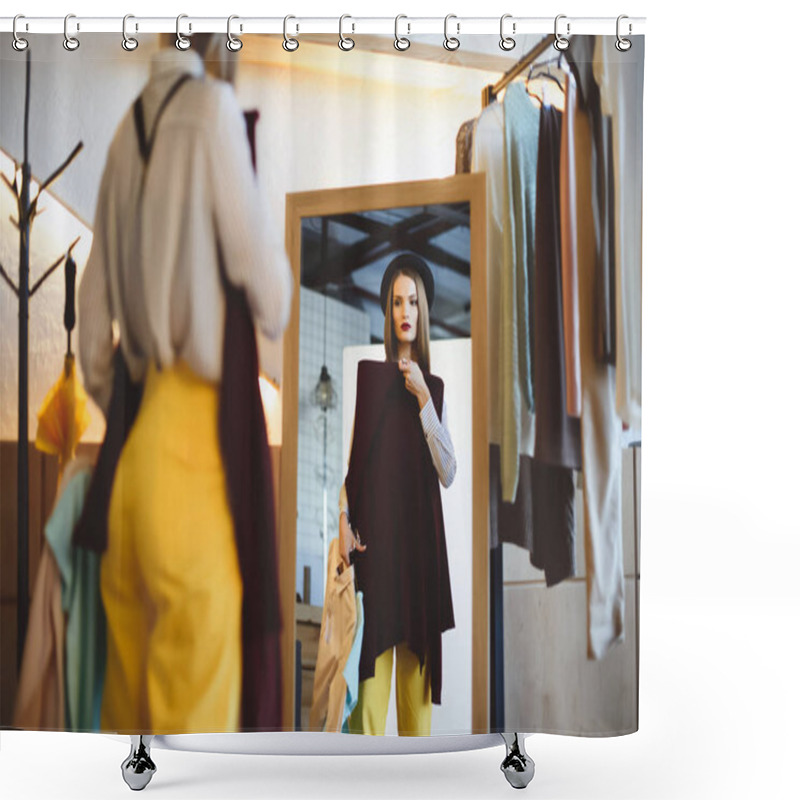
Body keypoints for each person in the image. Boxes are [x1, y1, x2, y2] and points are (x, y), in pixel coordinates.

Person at [78, 33, 292, 734]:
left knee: (127, 743)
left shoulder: (121, 136)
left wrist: (127, 407)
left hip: (132, 459)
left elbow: (91, 329)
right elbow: (273, 296)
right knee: (194, 752)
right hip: (194, 462)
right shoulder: (210, 111)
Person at [337, 252, 457, 736]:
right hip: (377, 565)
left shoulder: (437, 391)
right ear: (387, 312)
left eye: (412, 301)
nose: (405, 311)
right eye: (396, 302)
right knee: (368, 713)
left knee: (417, 721)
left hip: (420, 570)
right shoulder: (370, 383)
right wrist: (344, 524)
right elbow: (352, 470)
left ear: (422, 311)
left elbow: (448, 471)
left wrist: (424, 397)